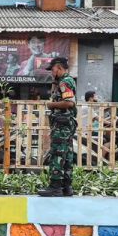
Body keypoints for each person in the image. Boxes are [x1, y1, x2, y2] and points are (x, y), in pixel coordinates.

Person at [40, 56, 77, 197]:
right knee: (67, 155)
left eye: (53, 70)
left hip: (62, 125)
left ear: (59, 68)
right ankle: (66, 188)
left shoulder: (64, 82)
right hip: (66, 124)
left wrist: (51, 104)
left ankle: (55, 187)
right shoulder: (63, 82)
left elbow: (69, 103)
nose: (51, 72)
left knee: (57, 153)